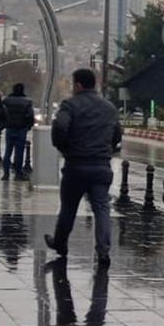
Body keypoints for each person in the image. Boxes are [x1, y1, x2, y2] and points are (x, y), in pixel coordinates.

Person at [44, 69, 121, 267]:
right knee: (102, 208)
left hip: (76, 165)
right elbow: (117, 135)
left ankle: (60, 244)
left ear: (78, 85)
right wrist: (107, 149)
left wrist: (64, 147)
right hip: (101, 167)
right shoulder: (109, 108)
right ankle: (103, 250)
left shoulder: (70, 105)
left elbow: (60, 128)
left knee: (68, 207)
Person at [2, 83, 35, 181]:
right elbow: (30, 116)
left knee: (8, 151)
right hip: (21, 129)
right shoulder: (27, 102)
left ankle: (6, 174)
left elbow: (2, 113)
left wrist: (5, 123)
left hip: (9, 128)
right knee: (19, 152)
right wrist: (28, 126)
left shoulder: (6, 101)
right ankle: (18, 173)